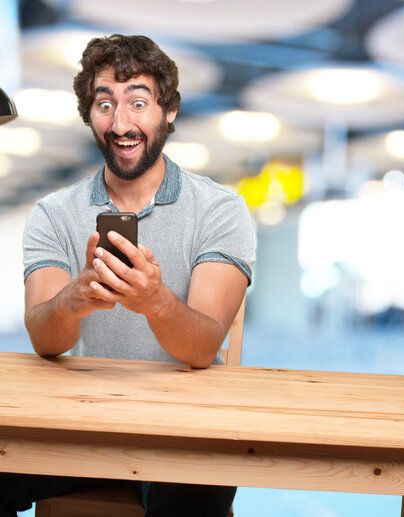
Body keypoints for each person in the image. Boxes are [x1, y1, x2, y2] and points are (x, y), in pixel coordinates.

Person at [0, 34, 255, 517]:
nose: (121, 123)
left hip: (186, 431)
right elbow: (44, 338)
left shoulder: (222, 210)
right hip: (81, 425)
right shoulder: (54, 213)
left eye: (138, 102)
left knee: (193, 501)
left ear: (169, 111)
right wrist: (72, 300)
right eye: (104, 105)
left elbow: (203, 347)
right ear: (89, 116)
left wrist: (155, 301)